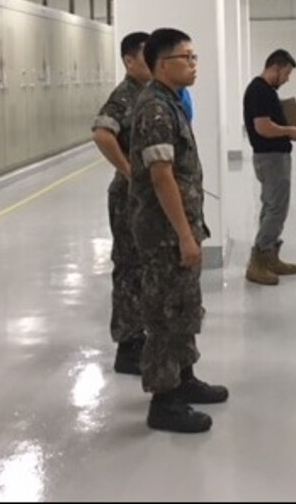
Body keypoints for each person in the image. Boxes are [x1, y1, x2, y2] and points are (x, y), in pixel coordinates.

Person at [129, 28, 228, 433]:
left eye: (194, 56)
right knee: (166, 314)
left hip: (181, 226)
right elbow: (161, 176)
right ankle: (164, 401)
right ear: (161, 64)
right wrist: (185, 235)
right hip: (165, 233)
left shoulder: (171, 103)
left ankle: (184, 379)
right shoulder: (154, 108)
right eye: (186, 57)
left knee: (185, 308)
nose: (193, 64)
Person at [92, 31, 152, 375]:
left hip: (143, 196)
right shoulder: (125, 95)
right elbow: (102, 132)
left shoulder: (148, 93)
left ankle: (138, 335)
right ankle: (128, 346)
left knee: (142, 267)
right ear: (129, 61)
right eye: (146, 58)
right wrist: (130, 172)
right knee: (129, 268)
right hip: (128, 198)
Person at [242, 49, 296, 286]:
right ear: (276, 68)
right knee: (276, 209)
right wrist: (290, 131)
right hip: (271, 158)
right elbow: (263, 127)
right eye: (287, 73)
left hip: (274, 156)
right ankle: (258, 261)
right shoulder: (259, 90)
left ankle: (270, 257)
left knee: (272, 207)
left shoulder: (266, 90)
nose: (287, 79)